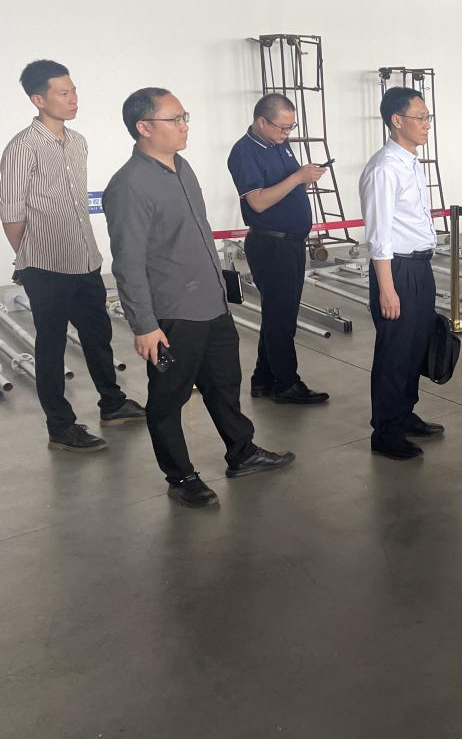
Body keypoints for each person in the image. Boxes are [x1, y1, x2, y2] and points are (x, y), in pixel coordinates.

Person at [103, 87, 295, 508]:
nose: (184, 125)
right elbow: (128, 263)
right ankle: (181, 476)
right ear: (144, 127)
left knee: (224, 384)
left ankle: (242, 452)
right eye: (175, 119)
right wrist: (144, 325)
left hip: (211, 302)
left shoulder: (182, 167)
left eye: (184, 116)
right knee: (168, 398)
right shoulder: (129, 185)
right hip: (173, 314)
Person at [0, 60, 145, 453]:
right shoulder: (22, 148)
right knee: (50, 346)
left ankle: (112, 403)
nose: (73, 98)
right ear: (38, 99)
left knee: (98, 335)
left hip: (85, 261)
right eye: (63, 93)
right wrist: (29, 260)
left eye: (74, 90)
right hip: (46, 267)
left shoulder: (77, 141)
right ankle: (61, 428)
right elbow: (11, 214)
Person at [358, 86, 446, 460]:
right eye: (420, 117)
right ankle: (386, 431)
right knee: (394, 352)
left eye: (428, 117)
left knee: (415, 347)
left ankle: (404, 413)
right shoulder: (384, 169)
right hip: (397, 269)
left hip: (419, 266)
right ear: (396, 121)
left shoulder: (410, 162)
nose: (427, 124)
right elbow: (378, 236)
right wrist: (387, 288)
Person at [227, 93, 329, 405]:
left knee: (278, 313)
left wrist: (304, 178)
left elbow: (286, 187)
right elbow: (257, 202)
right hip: (271, 244)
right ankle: (286, 383)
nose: (287, 133)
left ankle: (263, 378)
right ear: (262, 121)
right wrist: (298, 177)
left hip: (290, 242)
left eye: (290, 127)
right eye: (282, 127)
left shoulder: (278, 144)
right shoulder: (245, 152)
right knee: (281, 317)